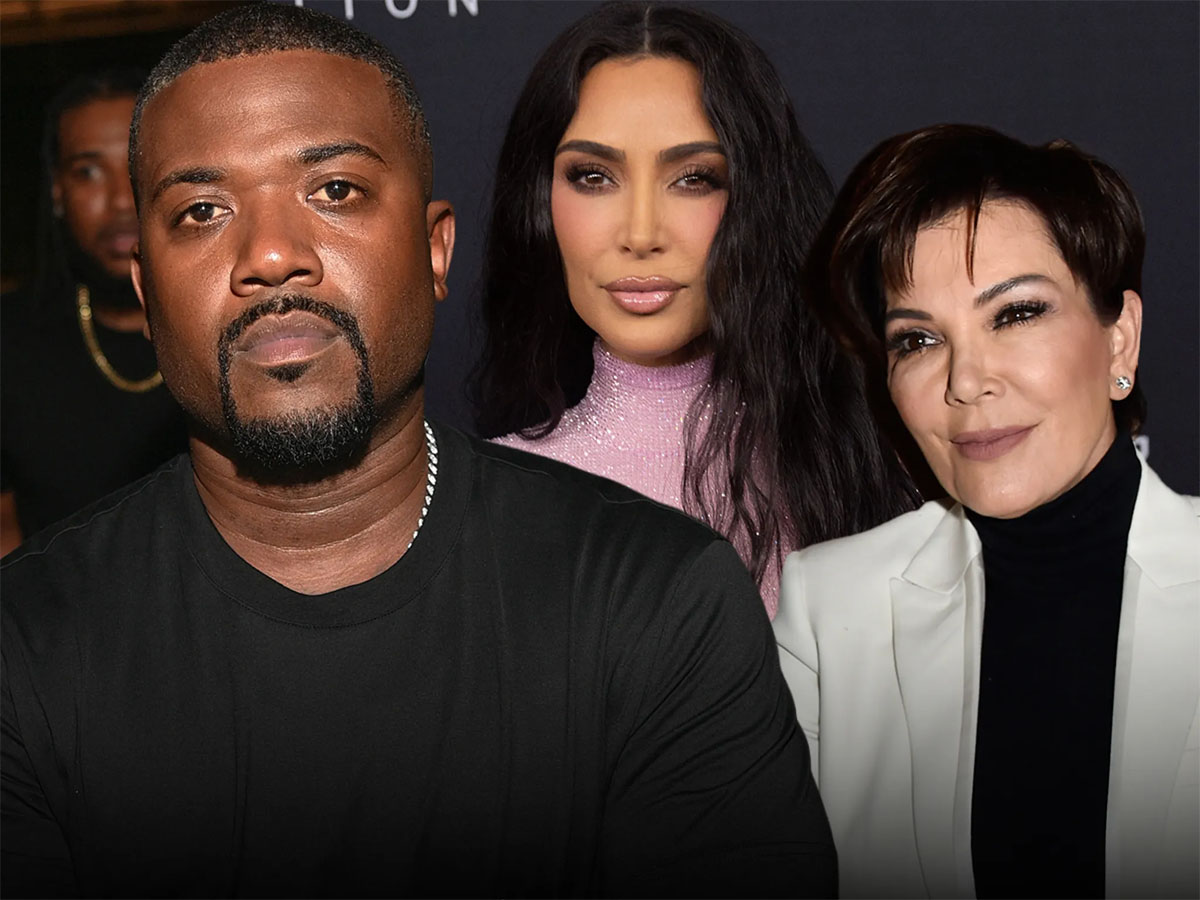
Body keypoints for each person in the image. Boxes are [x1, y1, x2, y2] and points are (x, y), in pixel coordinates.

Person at [0, 6, 837, 898]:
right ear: (147, 290)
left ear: (436, 251)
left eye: (335, 191)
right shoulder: (24, 643)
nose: (272, 254)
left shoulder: (655, 598)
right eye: (202, 211)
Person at [773, 124, 1199, 899]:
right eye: (917, 340)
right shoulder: (830, 611)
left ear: (1120, 341)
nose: (966, 381)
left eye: (1016, 314)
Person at [473, 1, 918, 616]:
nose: (641, 233)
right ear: (540, 201)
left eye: (693, 178)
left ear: (756, 199)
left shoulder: (870, 460)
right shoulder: (491, 506)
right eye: (594, 176)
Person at [1, 68, 187, 555]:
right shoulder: (11, 341)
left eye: (136, 166)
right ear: (57, 192)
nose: (122, 200)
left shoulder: (230, 323)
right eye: (88, 171)